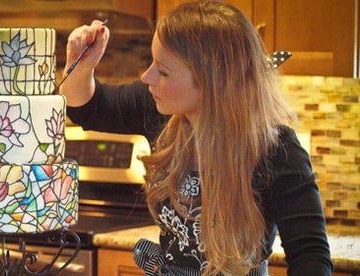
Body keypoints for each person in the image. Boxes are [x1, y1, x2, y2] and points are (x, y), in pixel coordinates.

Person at [60, 0, 333, 275]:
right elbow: (87, 109)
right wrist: (81, 65)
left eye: (163, 71)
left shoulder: (276, 150)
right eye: (152, 62)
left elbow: (310, 257)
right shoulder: (160, 111)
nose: (147, 76)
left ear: (213, 83)